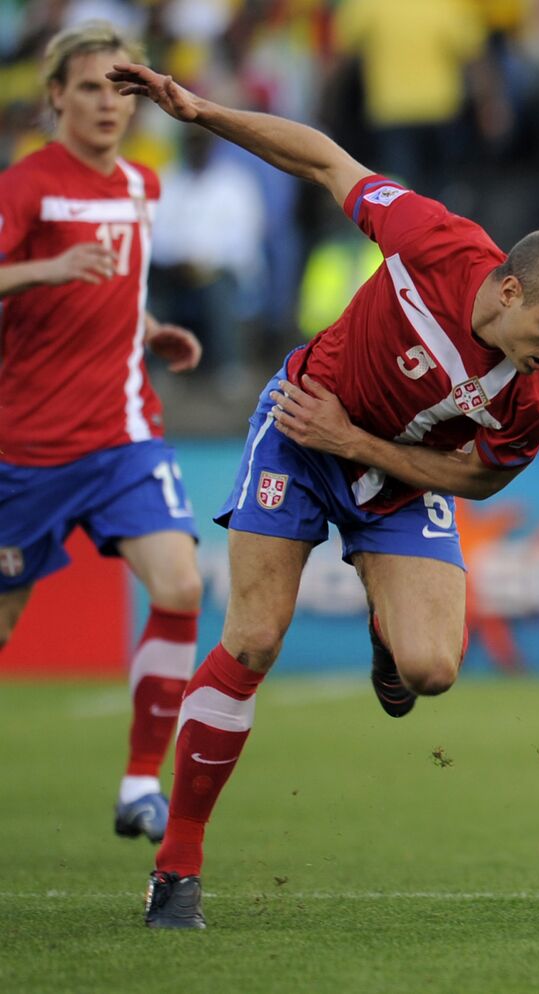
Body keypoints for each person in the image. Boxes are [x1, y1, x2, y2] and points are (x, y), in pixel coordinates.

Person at [107, 60, 539, 930]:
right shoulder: (435, 242)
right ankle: (177, 864)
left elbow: (485, 477)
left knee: (430, 671)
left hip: (394, 470)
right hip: (301, 431)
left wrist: (363, 446)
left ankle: (387, 631)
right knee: (253, 640)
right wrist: (202, 112)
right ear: (509, 289)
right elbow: (325, 160)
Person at [0, 22, 205, 849]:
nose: (106, 105)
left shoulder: (143, 186)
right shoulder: (26, 186)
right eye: (89, 87)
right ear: (55, 95)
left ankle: (139, 784)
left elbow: (112, 286)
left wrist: (147, 328)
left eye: (121, 90)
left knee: (181, 585)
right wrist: (45, 269)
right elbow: (52, 278)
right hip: (26, 451)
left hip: (124, 436)